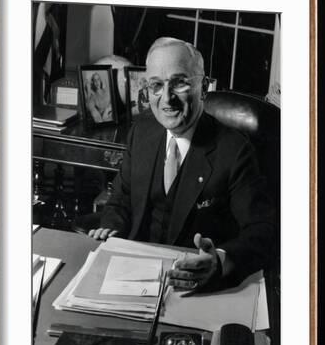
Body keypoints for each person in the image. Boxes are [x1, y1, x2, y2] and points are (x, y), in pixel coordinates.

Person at [89, 37, 276, 292]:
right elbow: (121, 198)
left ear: (204, 87)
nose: (166, 99)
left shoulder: (235, 150)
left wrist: (219, 260)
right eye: (156, 85)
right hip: (133, 277)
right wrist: (111, 229)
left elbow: (263, 231)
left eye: (179, 83)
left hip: (198, 285)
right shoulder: (141, 132)